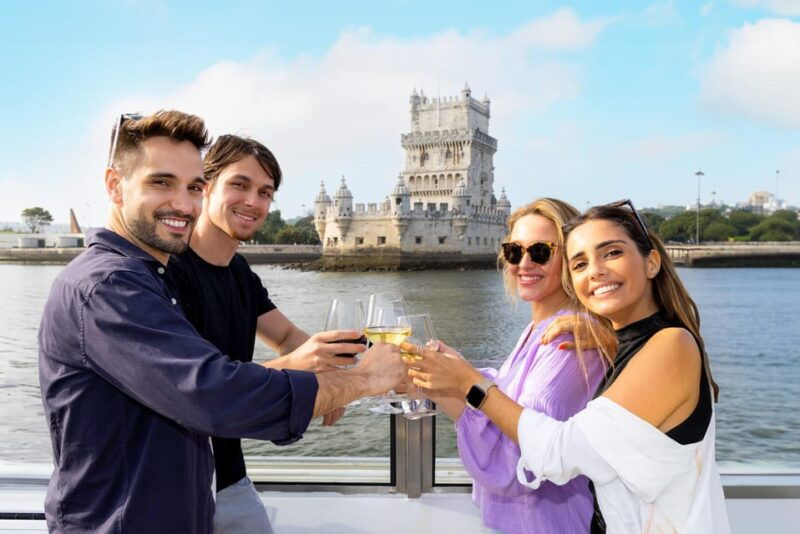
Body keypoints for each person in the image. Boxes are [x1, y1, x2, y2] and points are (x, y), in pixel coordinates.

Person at [38, 110, 405, 534]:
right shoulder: (110, 285)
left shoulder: (158, 276)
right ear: (114, 186)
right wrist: (359, 381)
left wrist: (340, 366)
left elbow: (280, 339)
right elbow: (212, 392)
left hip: (186, 495)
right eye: (161, 182)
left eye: (191, 187)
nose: (182, 201)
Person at [405, 199, 730, 533]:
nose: (595, 271)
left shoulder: (670, 346)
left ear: (651, 262)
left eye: (612, 253)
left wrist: (467, 382)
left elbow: (557, 454)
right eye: (580, 264)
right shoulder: (626, 344)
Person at [168, 134, 361, 533]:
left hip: (230, 476)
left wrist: (337, 372)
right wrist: (301, 372)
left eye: (265, 192)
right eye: (240, 185)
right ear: (205, 186)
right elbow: (205, 390)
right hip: (173, 479)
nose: (254, 201)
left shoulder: (240, 274)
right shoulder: (169, 273)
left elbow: (288, 335)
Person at [425, 199, 607, 534]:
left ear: (570, 258)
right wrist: (434, 379)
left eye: (540, 252)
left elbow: (523, 456)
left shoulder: (570, 339)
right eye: (513, 251)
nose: (523, 263)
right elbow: (503, 404)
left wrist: (464, 380)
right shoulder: (540, 327)